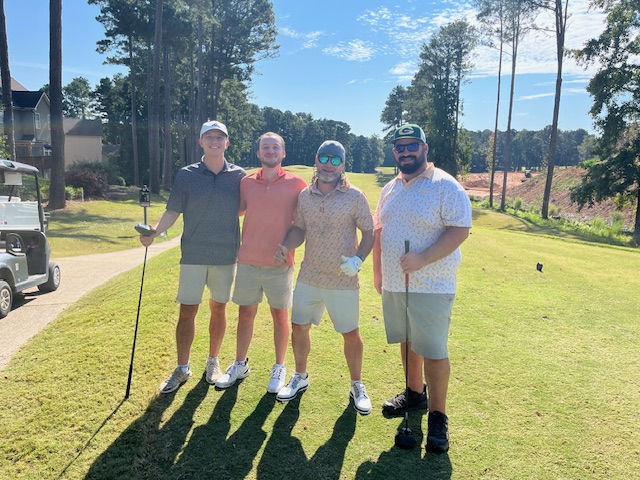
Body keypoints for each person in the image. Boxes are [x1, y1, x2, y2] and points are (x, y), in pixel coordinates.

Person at [373, 124, 472, 451]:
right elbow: (379, 231)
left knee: (433, 349)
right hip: (395, 283)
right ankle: (415, 393)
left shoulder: (445, 185)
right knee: (406, 339)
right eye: (399, 147)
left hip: (432, 284)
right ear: (394, 152)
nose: (405, 152)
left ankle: (438, 417)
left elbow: (460, 230)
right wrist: (378, 273)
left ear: (424, 148)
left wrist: (423, 258)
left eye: (411, 145)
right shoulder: (390, 188)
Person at [139, 120, 246, 394]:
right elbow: (173, 211)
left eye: (219, 137)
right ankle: (182, 367)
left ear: (227, 143)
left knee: (219, 308)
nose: (214, 141)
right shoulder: (186, 175)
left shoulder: (239, 176)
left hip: (226, 255)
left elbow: (249, 209)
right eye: (209, 137)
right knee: (187, 311)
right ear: (200, 142)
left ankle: (213, 361)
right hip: (193, 255)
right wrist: (154, 232)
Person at [274, 140, 375, 415]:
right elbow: (299, 228)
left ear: (343, 165)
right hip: (310, 275)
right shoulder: (305, 196)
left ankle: (357, 385)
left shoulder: (355, 196)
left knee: (350, 333)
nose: (329, 165)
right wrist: (286, 246)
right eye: (324, 158)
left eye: (335, 159)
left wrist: (358, 259)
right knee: (299, 327)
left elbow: (369, 232)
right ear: (316, 160)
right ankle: (300, 376)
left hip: (343, 278)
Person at [215, 132, 307, 393]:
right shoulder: (246, 183)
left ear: (283, 153)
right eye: (265, 147)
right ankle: (240, 363)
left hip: (280, 265)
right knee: (245, 314)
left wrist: (287, 247)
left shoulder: (297, 184)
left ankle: (279, 366)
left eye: (275, 147)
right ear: (258, 153)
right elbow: (236, 211)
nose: (270, 151)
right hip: (247, 261)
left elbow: (301, 225)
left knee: (280, 315)